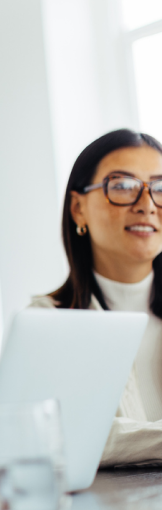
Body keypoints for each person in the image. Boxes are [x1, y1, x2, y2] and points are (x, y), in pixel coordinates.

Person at [32, 128, 162, 466]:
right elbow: (64, 436)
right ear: (78, 208)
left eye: (160, 188)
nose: (146, 205)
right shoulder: (46, 321)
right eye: (122, 186)